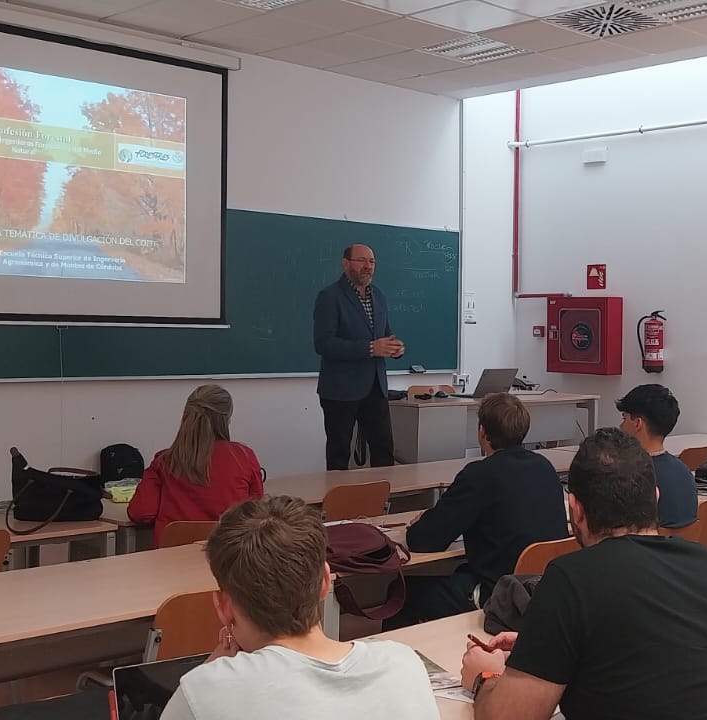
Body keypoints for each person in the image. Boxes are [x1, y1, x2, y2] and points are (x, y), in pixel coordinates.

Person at [459, 428, 707, 720]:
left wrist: (484, 675)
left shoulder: (571, 578)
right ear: (655, 497)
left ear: (575, 509)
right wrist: (542, 648)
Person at [160, 496, 437, 720]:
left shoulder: (203, 693)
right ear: (325, 582)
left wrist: (210, 670)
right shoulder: (403, 664)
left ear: (223, 607)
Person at [387, 393, 571, 628]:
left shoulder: (479, 475)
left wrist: (423, 521)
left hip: (498, 596)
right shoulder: (544, 467)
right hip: (540, 590)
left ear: (482, 432)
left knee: (400, 592)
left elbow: (424, 541)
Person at [129, 384, 264, 547]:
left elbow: (140, 513)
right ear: (226, 419)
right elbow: (256, 512)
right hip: (227, 559)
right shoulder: (243, 456)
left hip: (170, 560)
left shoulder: (165, 461)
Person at [313, 244, 403, 470]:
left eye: (372, 262)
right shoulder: (330, 296)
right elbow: (324, 343)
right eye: (361, 261)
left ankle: (383, 502)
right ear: (346, 264)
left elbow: (384, 334)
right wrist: (370, 348)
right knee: (339, 453)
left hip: (376, 388)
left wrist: (394, 348)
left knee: (384, 450)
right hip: (340, 391)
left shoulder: (379, 296)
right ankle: (337, 505)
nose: (368, 267)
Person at [617, 384, 698, 529]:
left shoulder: (631, 477)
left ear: (637, 423)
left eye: (624, 418)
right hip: (681, 548)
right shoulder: (684, 470)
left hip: (644, 550)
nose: (621, 426)